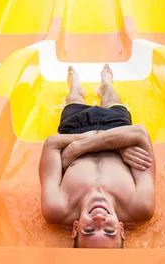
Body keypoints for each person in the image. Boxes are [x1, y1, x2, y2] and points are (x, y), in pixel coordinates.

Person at [39, 65, 156, 249]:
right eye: (109, 231)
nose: (99, 219)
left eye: (89, 230)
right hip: (118, 130)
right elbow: (140, 134)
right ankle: (106, 84)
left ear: (75, 229)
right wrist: (114, 148)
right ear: (121, 229)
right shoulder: (141, 205)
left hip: (77, 131)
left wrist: (80, 146)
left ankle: (75, 85)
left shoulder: (57, 207)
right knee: (112, 98)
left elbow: (52, 144)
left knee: (74, 101)